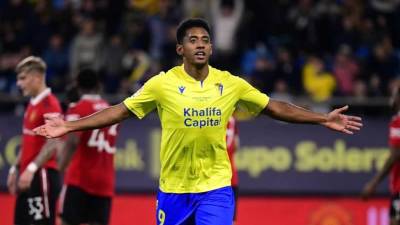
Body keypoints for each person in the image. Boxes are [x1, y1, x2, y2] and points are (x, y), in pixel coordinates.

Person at [34, 18, 363, 225]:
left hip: (216, 188)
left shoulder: (229, 83)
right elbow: (118, 110)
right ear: (180, 48)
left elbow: (275, 107)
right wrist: (69, 126)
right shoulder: (161, 84)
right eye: (193, 40)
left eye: (205, 40)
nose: (201, 44)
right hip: (173, 190)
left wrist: (322, 119)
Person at [58, 69, 119, 225]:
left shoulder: (78, 108)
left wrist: (60, 167)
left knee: (67, 221)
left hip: (80, 179)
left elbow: (72, 142)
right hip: (105, 181)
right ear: (98, 85)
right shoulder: (110, 110)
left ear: (77, 85)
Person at [7, 56, 62, 225]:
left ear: (37, 78)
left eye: (23, 78)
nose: (19, 83)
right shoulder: (33, 103)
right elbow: (28, 140)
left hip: (42, 174)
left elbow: (53, 142)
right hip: (28, 176)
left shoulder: (50, 104)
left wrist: (31, 169)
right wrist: (15, 168)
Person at [362, 86, 400, 225]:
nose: (392, 99)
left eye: (394, 95)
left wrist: (373, 183)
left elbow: (395, 154)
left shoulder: (398, 121)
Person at [226, 116, 239, 224]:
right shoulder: (232, 120)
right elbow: (236, 145)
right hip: (231, 177)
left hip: (213, 180)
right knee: (231, 220)